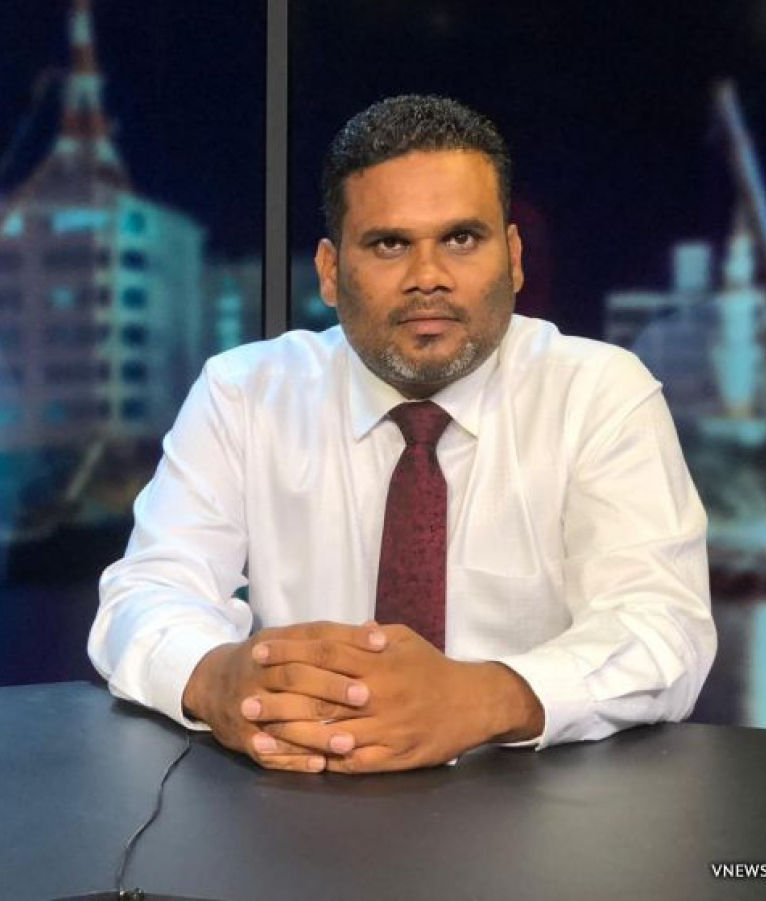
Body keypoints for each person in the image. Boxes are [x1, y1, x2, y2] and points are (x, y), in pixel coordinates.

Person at [88, 95, 716, 774]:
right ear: (331, 272)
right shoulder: (243, 393)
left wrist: (480, 699)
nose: (428, 278)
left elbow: (661, 626)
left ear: (512, 256)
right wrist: (217, 679)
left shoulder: (599, 393)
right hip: (296, 788)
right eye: (390, 244)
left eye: (461, 239)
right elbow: (147, 591)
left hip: (539, 799)